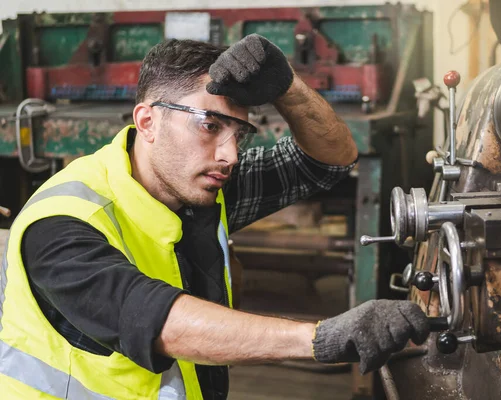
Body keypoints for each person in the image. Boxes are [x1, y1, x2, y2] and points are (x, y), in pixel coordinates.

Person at [0, 34, 429, 399]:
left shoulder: (199, 187)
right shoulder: (61, 224)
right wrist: (320, 337)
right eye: (209, 125)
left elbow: (331, 160)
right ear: (147, 121)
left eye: (238, 133)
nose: (230, 155)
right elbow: (158, 322)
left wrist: (287, 87)